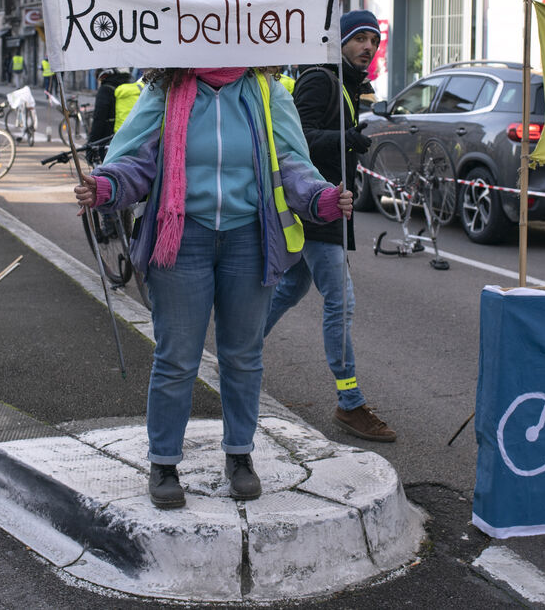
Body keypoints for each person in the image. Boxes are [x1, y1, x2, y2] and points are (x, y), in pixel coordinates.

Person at [74, 63, 353, 509]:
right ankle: (164, 462)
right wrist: (104, 186)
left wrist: (321, 198)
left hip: (250, 239)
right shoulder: (165, 90)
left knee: (243, 356)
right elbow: (135, 160)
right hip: (180, 238)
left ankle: (240, 455)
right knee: (176, 358)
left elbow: (291, 163)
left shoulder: (267, 91)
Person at [264, 11, 396, 443]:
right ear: (339, 42)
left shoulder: (347, 82)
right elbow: (296, 137)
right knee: (341, 302)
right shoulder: (320, 79)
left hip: (329, 204)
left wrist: (347, 138)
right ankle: (349, 402)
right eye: (359, 38)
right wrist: (346, 138)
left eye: (373, 40)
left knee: (291, 288)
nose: (367, 47)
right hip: (316, 205)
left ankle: (237, 351)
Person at [87, 67, 133, 147]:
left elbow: (99, 119)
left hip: (108, 139)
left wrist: (91, 142)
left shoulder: (105, 90)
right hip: (129, 136)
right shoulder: (130, 87)